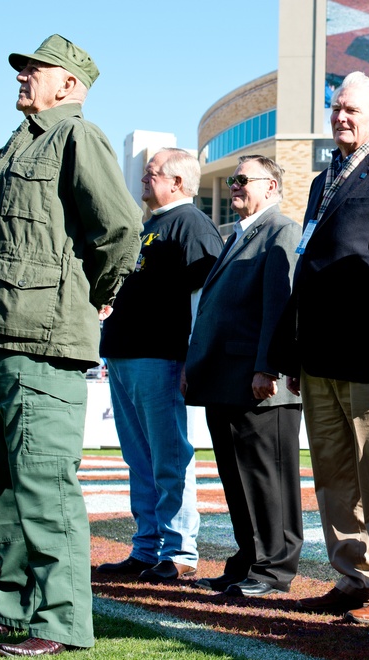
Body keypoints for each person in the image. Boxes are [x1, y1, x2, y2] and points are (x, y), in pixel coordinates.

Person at [0, 34, 142, 657]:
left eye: (34, 70)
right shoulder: (21, 143)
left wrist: (90, 296)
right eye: (22, 69)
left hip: (42, 341)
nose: (22, 77)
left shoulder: (77, 136)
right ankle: (16, 610)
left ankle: (62, 623)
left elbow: (122, 230)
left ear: (68, 85)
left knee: (45, 485)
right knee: (8, 488)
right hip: (0, 335)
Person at [271, 71, 369, 623]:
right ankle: (355, 576)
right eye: (337, 108)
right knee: (335, 475)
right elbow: (308, 271)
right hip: (319, 358)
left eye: (353, 110)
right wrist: (292, 353)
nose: (342, 117)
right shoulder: (322, 182)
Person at [96, 148, 223, 583]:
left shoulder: (191, 224)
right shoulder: (145, 226)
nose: (145, 178)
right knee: (139, 459)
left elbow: (205, 296)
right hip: (125, 354)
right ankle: (146, 546)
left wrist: (193, 356)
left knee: (168, 457)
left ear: (179, 183)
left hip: (161, 357)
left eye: (154, 173)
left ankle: (179, 551)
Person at [183, 155, 304, 598]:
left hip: (259, 384)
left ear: (271, 187)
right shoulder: (237, 235)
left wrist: (267, 366)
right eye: (232, 180)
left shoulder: (282, 231)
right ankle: (249, 559)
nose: (234, 186)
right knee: (238, 481)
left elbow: (280, 306)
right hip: (225, 380)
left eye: (242, 179)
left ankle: (274, 569)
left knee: (267, 480)